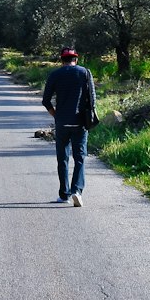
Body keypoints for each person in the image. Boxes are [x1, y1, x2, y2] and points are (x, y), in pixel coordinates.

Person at [42, 46, 96, 206]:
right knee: (80, 158)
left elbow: (46, 100)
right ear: (76, 59)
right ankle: (77, 191)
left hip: (62, 122)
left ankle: (64, 194)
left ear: (61, 60)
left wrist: (56, 115)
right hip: (80, 122)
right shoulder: (85, 73)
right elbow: (92, 99)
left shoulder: (54, 75)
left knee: (62, 159)